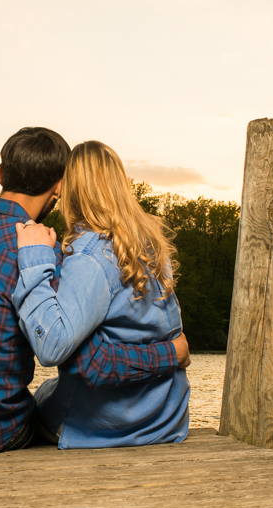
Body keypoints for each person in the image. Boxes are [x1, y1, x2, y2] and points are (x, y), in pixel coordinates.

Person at [0, 127, 190, 454]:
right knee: (40, 397)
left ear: (0, 173)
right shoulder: (44, 256)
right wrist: (173, 353)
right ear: (58, 189)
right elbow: (91, 362)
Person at [12, 140, 190, 449]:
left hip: (105, 428)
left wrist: (34, 259)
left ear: (70, 189)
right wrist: (173, 354)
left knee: (29, 403)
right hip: (165, 420)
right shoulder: (152, 247)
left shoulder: (90, 257)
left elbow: (53, 346)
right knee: (49, 389)